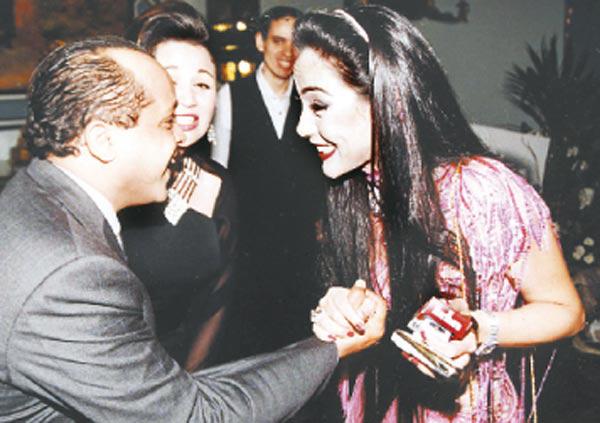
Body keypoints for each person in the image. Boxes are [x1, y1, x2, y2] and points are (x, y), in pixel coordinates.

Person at [0, 35, 387, 422]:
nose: (178, 139)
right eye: (166, 123)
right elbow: (194, 415)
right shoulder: (72, 275)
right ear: (104, 141)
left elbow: (173, 392)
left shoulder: (34, 196)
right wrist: (333, 348)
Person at [293, 5, 585, 422]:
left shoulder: (477, 188)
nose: (302, 128)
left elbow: (566, 310)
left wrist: (478, 329)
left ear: (386, 97)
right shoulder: (353, 190)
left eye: (318, 106)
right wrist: (344, 310)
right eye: (301, 107)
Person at [119, 0, 236, 371]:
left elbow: (216, 301)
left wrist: (188, 385)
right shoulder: (106, 174)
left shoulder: (216, 183)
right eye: (170, 81)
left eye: (202, 83)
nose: (188, 99)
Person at [213, 6, 327, 357]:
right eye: (278, 41)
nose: (287, 52)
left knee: (295, 342)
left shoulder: (312, 98)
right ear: (260, 41)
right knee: (247, 343)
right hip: (247, 245)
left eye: (295, 43)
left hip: (300, 246)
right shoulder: (229, 95)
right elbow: (219, 170)